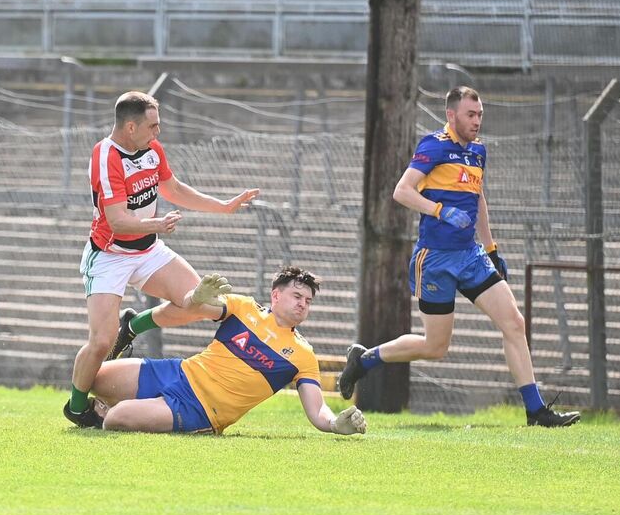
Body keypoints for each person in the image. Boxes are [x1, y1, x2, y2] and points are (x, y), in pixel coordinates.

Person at [337, 86, 579, 427]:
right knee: (435, 347)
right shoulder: (433, 146)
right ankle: (364, 361)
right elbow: (402, 191)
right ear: (451, 115)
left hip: (470, 256)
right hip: (435, 259)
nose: (477, 121)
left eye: (480, 115)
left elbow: (478, 199)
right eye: (470, 115)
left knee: (514, 323)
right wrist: (440, 210)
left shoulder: (478, 152)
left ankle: (536, 411)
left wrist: (491, 249)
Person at [64, 91, 260, 427]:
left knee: (203, 304)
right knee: (100, 342)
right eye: (152, 125)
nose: (158, 132)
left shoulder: (152, 149)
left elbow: (174, 189)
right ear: (130, 127)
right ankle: (78, 408)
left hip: (148, 250)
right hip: (110, 255)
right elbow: (117, 221)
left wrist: (223, 206)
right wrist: (157, 224)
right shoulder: (105, 156)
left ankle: (132, 326)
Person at [84, 266, 366, 436]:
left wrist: (334, 424)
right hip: (180, 372)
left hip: (200, 409)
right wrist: (197, 297)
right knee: (93, 377)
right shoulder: (244, 307)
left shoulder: (303, 354)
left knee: (117, 417)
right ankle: (106, 404)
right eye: (297, 296)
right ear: (276, 295)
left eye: (308, 301)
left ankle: (112, 409)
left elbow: (317, 410)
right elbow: (197, 308)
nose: (303, 304)